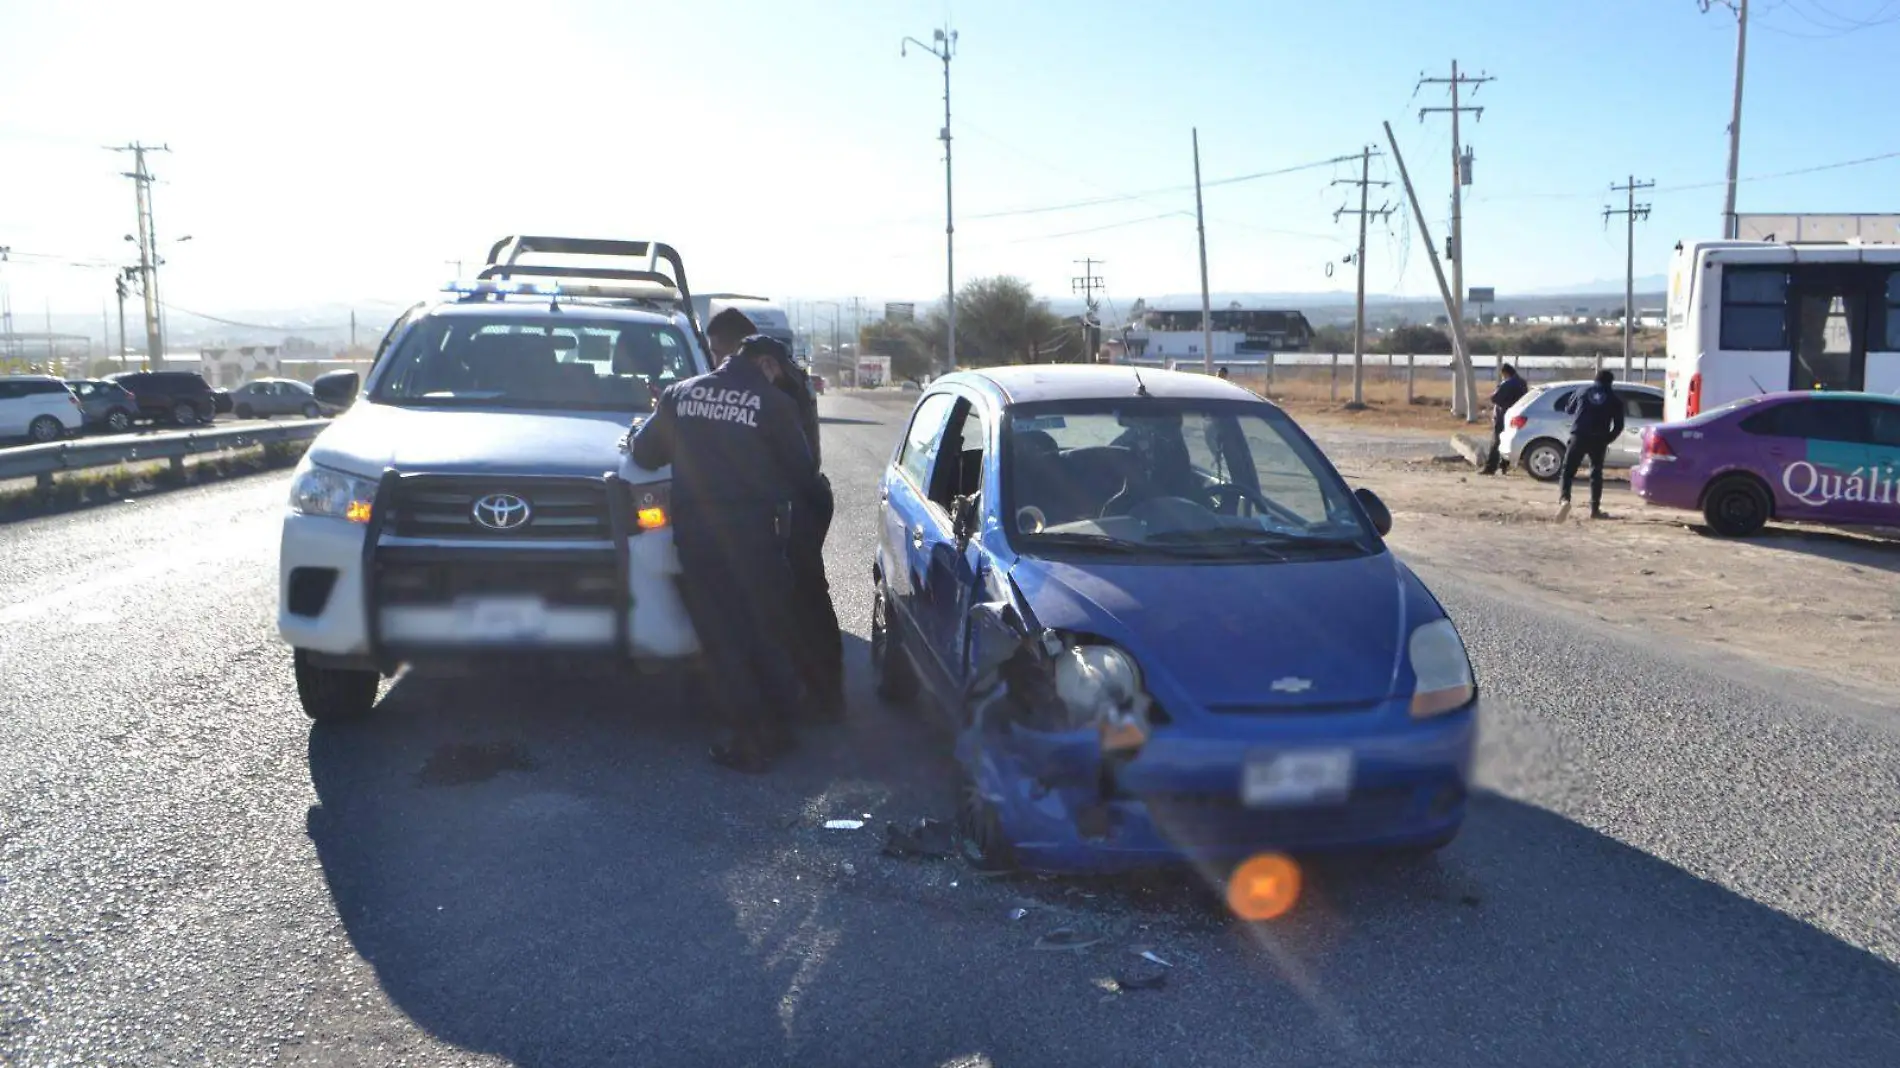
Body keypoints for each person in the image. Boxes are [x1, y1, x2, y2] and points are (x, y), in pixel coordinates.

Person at [631, 333, 819, 772]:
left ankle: (751, 734)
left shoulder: (682, 393)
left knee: (722, 634)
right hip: (755, 535)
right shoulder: (773, 405)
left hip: (700, 537)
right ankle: (773, 728)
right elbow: (803, 472)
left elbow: (644, 451)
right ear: (768, 365)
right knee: (762, 627)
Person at [699, 310, 842, 722]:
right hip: (803, 497)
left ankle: (815, 696)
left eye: (721, 352)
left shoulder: (775, 388)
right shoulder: (786, 378)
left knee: (802, 599)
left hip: (794, 502)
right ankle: (819, 693)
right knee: (806, 597)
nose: (719, 365)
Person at [1555, 369, 1625, 522]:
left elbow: (1569, 409)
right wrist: (1608, 438)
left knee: (1567, 472)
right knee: (1595, 473)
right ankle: (1595, 509)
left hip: (1578, 436)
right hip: (1599, 439)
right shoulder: (1615, 399)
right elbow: (1619, 426)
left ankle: (1565, 500)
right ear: (1610, 382)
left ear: (1595, 379)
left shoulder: (1582, 391)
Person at [1480, 363, 1529, 475]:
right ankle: (1504, 466)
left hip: (1503, 416)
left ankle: (1490, 467)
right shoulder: (1522, 382)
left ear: (1505, 373)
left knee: (1496, 441)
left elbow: (1495, 398)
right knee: (1509, 441)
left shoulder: (1507, 383)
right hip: (1516, 416)